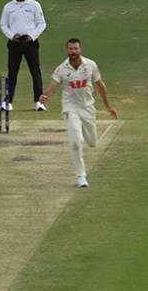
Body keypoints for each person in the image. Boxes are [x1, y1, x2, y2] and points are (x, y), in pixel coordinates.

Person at [39, 39, 119, 188]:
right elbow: (53, 86)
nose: (73, 51)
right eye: (70, 49)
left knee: (92, 142)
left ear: (80, 49)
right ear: (66, 50)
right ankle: (81, 176)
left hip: (88, 108)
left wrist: (108, 106)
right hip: (71, 108)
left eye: (75, 49)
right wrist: (45, 96)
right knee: (76, 142)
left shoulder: (90, 65)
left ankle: (81, 129)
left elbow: (100, 85)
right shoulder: (61, 69)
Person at [0, 0, 47, 112]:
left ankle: (39, 101)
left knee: (35, 72)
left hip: (30, 42)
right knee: (12, 72)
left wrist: (32, 36)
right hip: (15, 43)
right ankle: (8, 101)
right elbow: (3, 24)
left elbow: (42, 23)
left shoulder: (34, 5)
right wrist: (11, 35)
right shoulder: (8, 7)